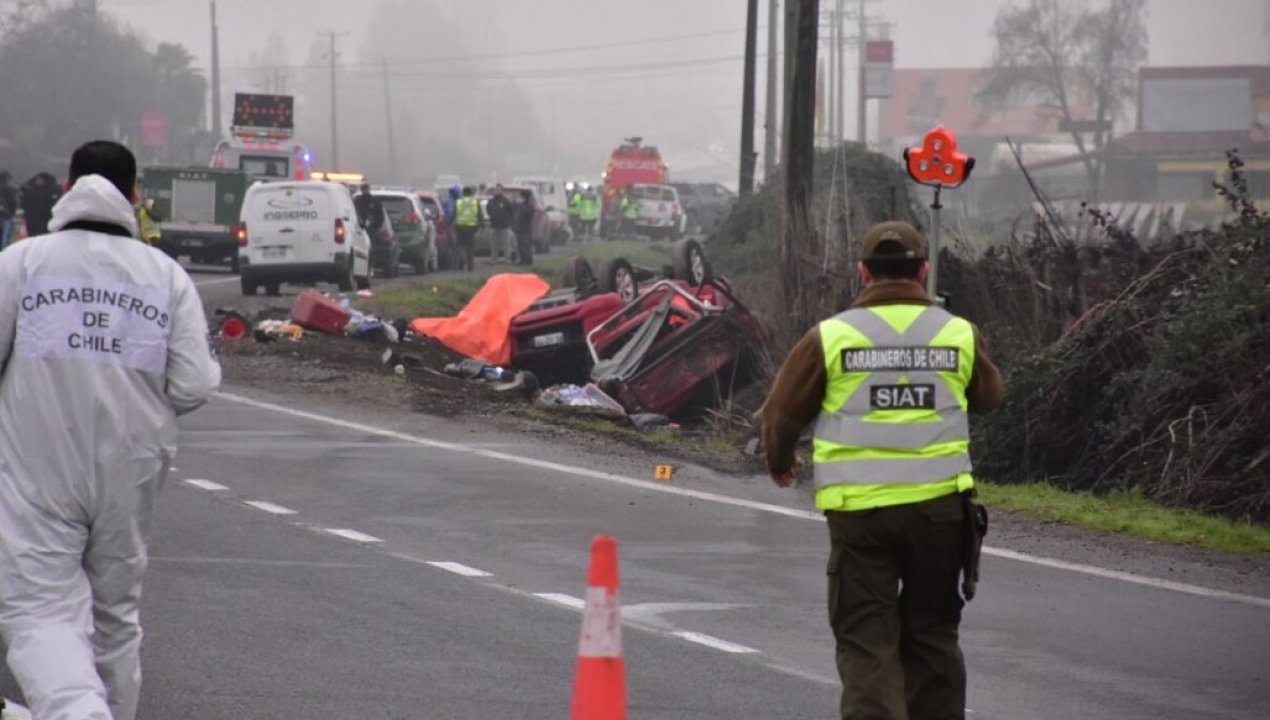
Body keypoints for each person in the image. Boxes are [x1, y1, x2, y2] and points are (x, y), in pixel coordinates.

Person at [0, 140, 221, 720]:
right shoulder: (166, 277)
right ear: (135, 196)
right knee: (116, 618)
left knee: (40, 610)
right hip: (131, 468)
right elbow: (195, 385)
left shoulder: (23, 263)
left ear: (68, 186)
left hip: (36, 467)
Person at [761, 221, 1003, 720]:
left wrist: (780, 460)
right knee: (933, 636)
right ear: (924, 270)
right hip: (940, 515)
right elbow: (988, 398)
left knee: (868, 640)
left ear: (863, 272)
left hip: (862, 518)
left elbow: (781, 413)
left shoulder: (831, 337)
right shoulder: (958, 334)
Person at [19, 171, 61, 237]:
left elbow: (23, 203)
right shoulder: (31, 189)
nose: (38, 181)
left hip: (41, 219)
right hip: (37, 219)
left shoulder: (31, 189)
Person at [452, 185, 482, 271]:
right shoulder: (475, 202)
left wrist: (449, 222)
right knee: (470, 247)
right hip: (471, 227)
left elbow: (453, 214)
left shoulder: (458, 202)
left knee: (461, 245)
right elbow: (479, 214)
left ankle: (462, 258)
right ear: (471, 193)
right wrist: (481, 225)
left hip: (460, 226)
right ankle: (470, 266)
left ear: (463, 193)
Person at [485, 183, 515, 262]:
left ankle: (507, 258)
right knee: (494, 244)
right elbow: (488, 209)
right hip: (494, 225)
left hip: (504, 226)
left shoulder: (506, 201)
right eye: (496, 189)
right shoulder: (491, 201)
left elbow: (511, 211)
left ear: (502, 191)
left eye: (499, 189)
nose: (497, 191)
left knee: (506, 244)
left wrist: (508, 220)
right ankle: (494, 259)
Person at [512, 189, 535, 267]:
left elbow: (527, 214)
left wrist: (521, 205)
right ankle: (523, 259)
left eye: (520, 197)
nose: (518, 198)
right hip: (519, 228)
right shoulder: (518, 206)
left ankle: (528, 260)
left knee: (525, 245)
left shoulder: (528, 206)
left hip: (525, 229)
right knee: (520, 245)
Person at [0, 171, 16, 248]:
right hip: (6, 216)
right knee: (6, 238)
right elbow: (13, 202)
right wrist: (11, 213)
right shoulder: (8, 189)